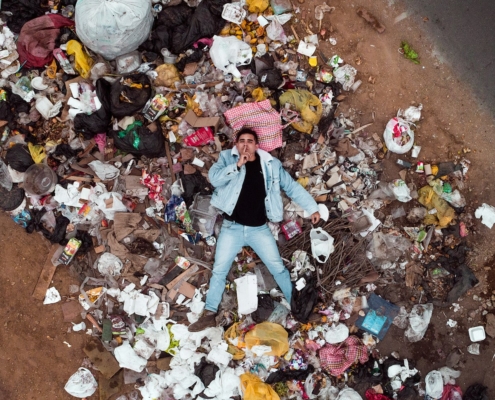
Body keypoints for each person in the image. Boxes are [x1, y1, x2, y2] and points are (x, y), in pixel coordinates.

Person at [188, 128, 320, 332]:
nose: (246, 145)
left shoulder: (271, 165)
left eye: (250, 141)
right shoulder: (226, 158)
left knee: (278, 268)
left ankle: (298, 310)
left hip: (259, 229)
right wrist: (237, 165)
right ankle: (209, 313)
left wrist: (312, 208)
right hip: (231, 228)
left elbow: (291, 187)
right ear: (236, 144)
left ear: (257, 146)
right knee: (219, 270)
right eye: (242, 141)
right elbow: (215, 179)